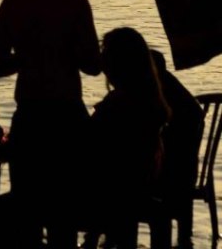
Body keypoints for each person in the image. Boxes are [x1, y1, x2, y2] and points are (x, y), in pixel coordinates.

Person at [0, 0, 101, 249]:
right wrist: (67, 48)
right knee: (64, 214)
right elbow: (93, 66)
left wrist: (28, 53)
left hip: (30, 118)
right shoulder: (76, 2)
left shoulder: (14, 1)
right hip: (68, 117)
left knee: (28, 208)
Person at [83, 28, 172, 249]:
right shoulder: (150, 102)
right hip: (138, 188)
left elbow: (88, 147)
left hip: (112, 193)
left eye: (106, 52)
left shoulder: (117, 106)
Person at [151, 49, 203, 249]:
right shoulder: (176, 93)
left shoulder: (161, 94)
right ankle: (184, 237)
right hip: (184, 168)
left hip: (171, 171)